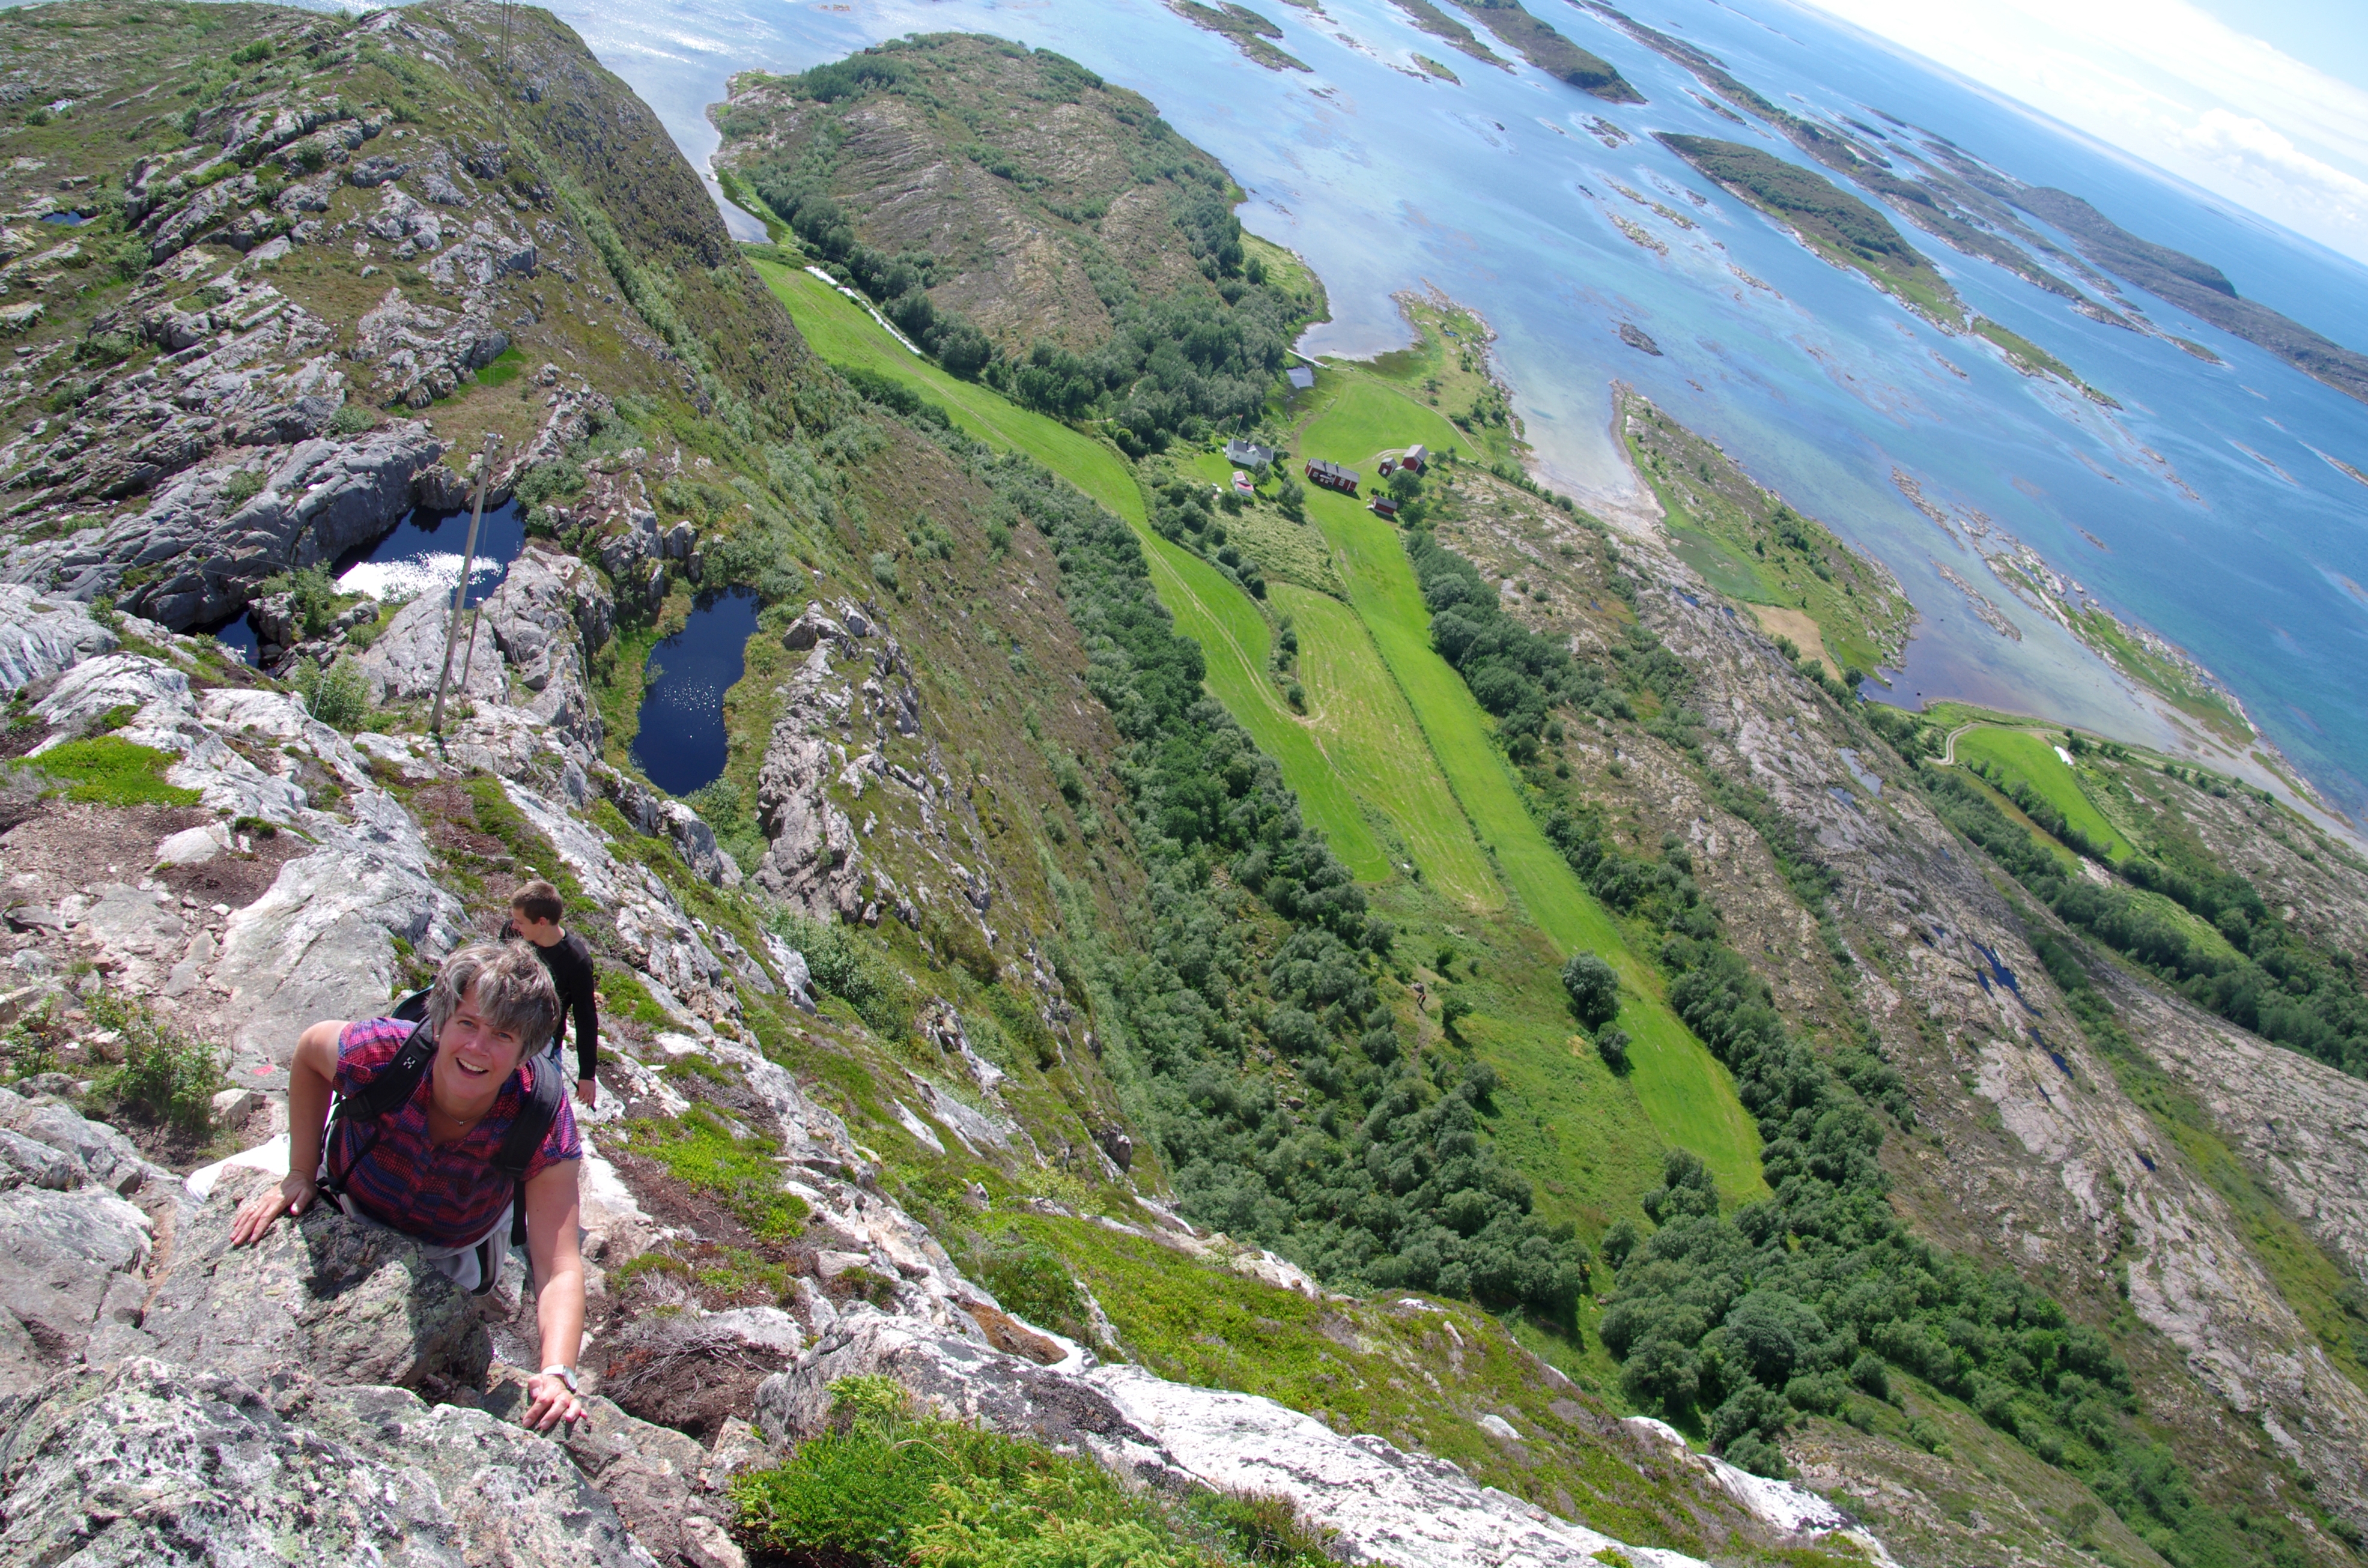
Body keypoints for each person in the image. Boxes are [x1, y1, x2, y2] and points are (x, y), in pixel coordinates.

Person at [228, 942, 589, 1433]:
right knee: (198, 1187)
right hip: (344, 1196)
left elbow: (559, 1264)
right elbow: (312, 1049)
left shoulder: (541, 1117)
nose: (478, 1048)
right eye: (467, 1024)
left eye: (502, 1035)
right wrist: (298, 1171)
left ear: (526, 1050)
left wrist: (557, 1372)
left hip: (449, 1247)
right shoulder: (384, 1052)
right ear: (440, 1022)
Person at [500, 879, 600, 1108]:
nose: (513, 926)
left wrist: (587, 1075)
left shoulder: (576, 961)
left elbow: (586, 1019)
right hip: (503, 1031)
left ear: (542, 922)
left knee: (542, 1109)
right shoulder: (511, 933)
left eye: (520, 921)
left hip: (542, 1045)